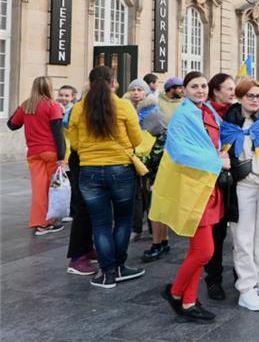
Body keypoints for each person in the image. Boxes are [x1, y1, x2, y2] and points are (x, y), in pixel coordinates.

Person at [158, 71, 229, 322]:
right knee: (204, 252)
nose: (200, 90)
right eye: (194, 86)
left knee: (197, 251)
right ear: (185, 90)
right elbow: (178, 151)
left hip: (207, 186)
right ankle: (175, 293)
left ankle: (188, 302)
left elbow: (213, 142)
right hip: (194, 187)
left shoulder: (207, 111)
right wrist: (217, 161)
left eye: (202, 86)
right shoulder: (184, 115)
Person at [67, 66, 145, 289]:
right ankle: (120, 267)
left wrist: (91, 152)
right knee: (122, 220)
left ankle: (106, 273)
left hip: (89, 170)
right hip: (120, 169)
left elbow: (75, 143)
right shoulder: (123, 106)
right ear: (113, 84)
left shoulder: (79, 108)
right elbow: (137, 139)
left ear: (90, 84)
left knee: (100, 224)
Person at [221, 79, 259, 311]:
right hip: (242, 187)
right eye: (250, 95)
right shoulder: (228, 124)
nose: (255, 99)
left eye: (258, 95)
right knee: (243, 240)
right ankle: (246, 287)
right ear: (239, 97)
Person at [7, 77, 67, 235]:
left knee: (39, 189)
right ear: (49, 88)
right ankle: (50, 220)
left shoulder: (27, 105)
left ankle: (40, 223)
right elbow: (58, 133)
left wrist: (21, 108)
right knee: (52, 188)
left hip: (33, 153)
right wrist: (62, 156)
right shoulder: (53, 106)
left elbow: (12, 125)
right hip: (51, 152)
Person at [124, 79, 170, 263]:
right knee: (142, 200)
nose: (136, 93)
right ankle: (160, 239)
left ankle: (158, 241)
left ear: (145, 93)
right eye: (133, 89)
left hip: (151, 163)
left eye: (139, 90)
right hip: (135, 159)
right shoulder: (126, 109)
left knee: (154, 203)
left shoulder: (152, 112)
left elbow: (163, 136)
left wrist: (151, 160)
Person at [203, 73, 237, 300]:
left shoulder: (238, 111)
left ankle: (240, 274)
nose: (233, 93)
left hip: (237, 178)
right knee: (217, 231)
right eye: (229, 89)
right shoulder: (205, 113)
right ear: (216, 91)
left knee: (240, 231)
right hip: (214, 179)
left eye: (234, 89)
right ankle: (213, 278)